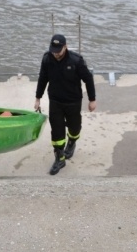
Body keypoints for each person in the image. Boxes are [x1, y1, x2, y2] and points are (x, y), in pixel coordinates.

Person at [34, 34, 97, 176]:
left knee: (74, 128)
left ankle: (72, 142)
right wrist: (38, 98)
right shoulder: (47, 59)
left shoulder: (76, 61)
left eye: (58, 51)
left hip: (73, 101)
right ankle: (59, 158)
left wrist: (92, 99)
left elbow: (88, 79)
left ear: (65, 47)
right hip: (55, 101)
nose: (55, 54)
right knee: (57, 131)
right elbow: (42, 78)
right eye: (53, 51)